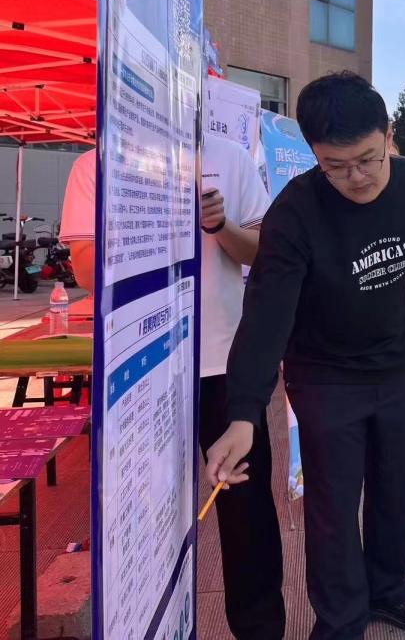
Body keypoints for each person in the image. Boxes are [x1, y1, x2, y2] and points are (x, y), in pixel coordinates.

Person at [205, 72, 405, 639]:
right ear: (314, 153)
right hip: (324, 376)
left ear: (389, 134)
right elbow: (265, 318)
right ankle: (340, 621)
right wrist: (243, 412)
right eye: (335, 166)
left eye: (367, 160)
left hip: (395, 365)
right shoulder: (295, 212)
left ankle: (389, 591)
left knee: (394, 490)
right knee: (333, 508)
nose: (356, 177)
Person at [61, 136, 286, 639]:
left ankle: (260, 629)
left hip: (225, 364)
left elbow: (263, 251)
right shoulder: (96, 163)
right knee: (144, 512)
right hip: (139, 370)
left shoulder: (229, 157)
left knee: (246, 509)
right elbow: (84, 269)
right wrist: (146, 217)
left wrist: (219, 226)